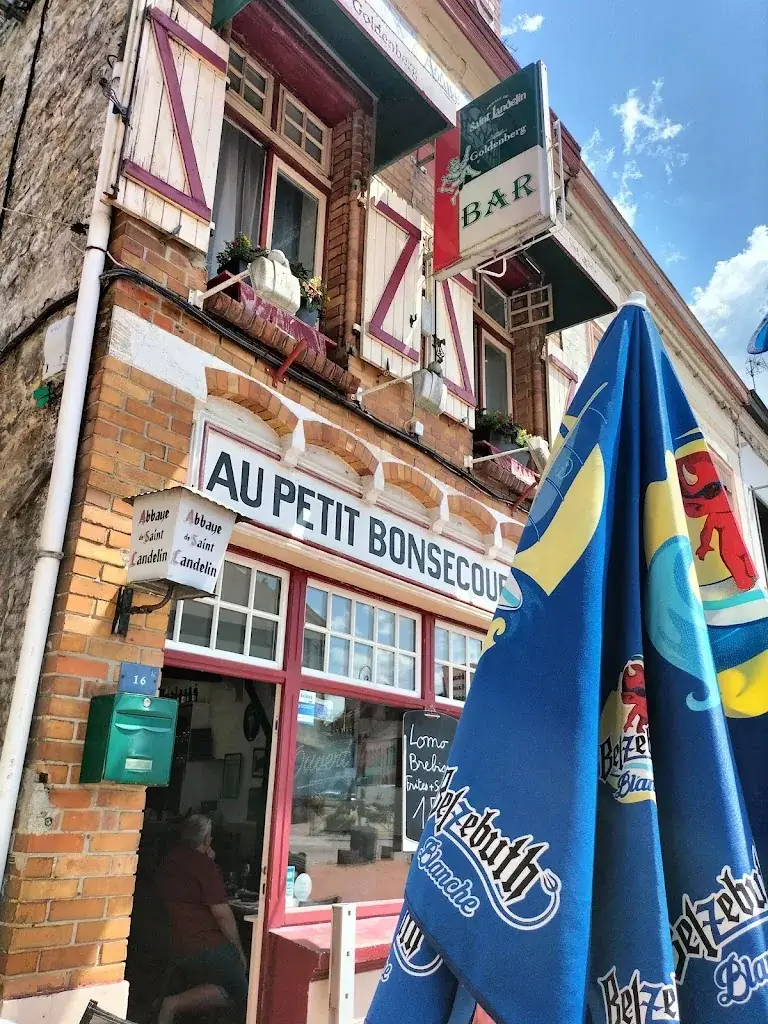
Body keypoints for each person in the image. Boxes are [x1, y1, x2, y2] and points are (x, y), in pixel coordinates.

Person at [155, 815, 248, 1024]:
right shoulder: (203, 866)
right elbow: (223, 915)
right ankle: (174, 1004)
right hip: (202, 945)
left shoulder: (170, 859)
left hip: (172, 942)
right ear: (206, 840)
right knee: (242, 988)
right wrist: (238, 951)